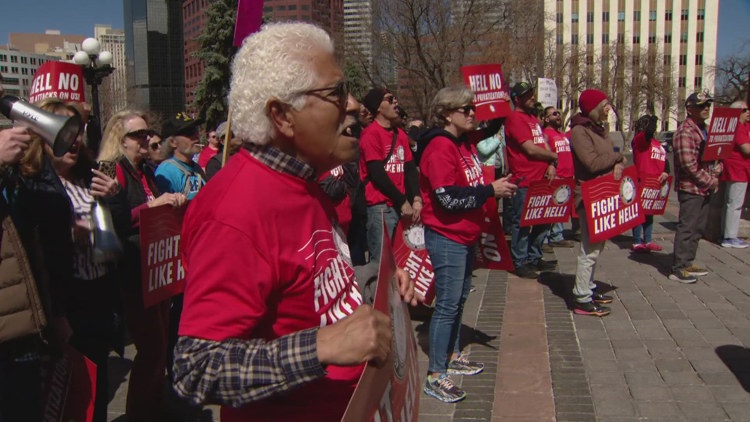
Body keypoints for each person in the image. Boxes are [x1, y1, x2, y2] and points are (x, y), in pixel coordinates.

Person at [172, 22, 417, 422]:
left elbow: (306, 282)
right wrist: (321, 348)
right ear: (282, 116)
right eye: (336, 92)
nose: (353, 104)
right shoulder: (234, 212)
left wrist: (375, 282)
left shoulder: (306, 181)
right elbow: (196, 369)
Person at [12, 98, 122, 422]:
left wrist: (111, 202)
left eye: (78, 130)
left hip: (100, 298)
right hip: (65, 303)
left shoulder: (90, 177)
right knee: (67, 400)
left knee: (96, 394)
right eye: (64, 130)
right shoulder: (32, 183)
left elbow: (117, 240)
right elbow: (34, 252)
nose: (74, 139)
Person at [418, 87, 516, 403]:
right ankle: (435, 374)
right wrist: (490, 191)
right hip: (446, 236)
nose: (473, 113)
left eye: (474, 108)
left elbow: (493, 125)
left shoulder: (464, 143)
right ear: (447, 113)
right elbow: (446, 197)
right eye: (466, 108)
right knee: (447, 304)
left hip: (464, 235)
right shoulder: (439, 147)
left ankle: (453, 354)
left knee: (459, 299)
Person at [98, 110, 187, 422]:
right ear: (119, 139)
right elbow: (114, 221)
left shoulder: (146, 171)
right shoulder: (112, 171)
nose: (147, 139)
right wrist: (153, 206)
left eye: (147, 132)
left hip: (157, 271)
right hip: (133, 275)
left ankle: (156, 407)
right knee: (149, 350)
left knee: (160, 347)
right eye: (138, 134)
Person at [569, 88, 622, 317]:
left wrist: (617, 163)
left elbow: (610, 157)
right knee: (589, 249)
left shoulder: (599, 130)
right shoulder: (579, 132)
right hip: (589, 195)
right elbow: (592, 163)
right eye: (605, 104)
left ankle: (589, 288)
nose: (608, 108)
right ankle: (581, 297)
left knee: (597, 246)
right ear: (594, 107)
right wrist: (617, 157)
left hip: (603, 193)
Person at [359, 87, 422, 261]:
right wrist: (402, 201)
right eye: (389, 99)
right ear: (378, 107)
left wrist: (416, 198)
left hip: (401, 206)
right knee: (381, 262)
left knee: (401, 260)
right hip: (381, 208)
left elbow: (409, 168)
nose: (395, 102)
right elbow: (377, 174)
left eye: (395, 98)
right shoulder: (370, 134)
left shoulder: (400, 134)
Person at [504, 82, 558, 278]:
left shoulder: (533, 118)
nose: (532, 98)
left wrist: (552, 163)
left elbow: (543, 143)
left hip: (542, 177)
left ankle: (534, 256)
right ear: (517, 99)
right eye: (527, 95)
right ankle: (519, 261)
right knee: (523, 223)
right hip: (525, 180)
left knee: (543, 219)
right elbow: (529, 148)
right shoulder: (514, 118)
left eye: (532, 94)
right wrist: (552, 157)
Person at [669, 91, 722, 283]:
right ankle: (678, 268)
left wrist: (718, 168)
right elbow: (687, 164)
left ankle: (688, 261)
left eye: (708, 105)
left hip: (704, 187)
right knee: (687, 227)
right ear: (690, 109)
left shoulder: (705, 129)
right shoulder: (686, 131)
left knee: (698, 228)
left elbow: (715, 155)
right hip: (691, 188)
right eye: (701, 106)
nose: (706, 108)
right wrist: (709, 181)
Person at [630, 115, 670, 252]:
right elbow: (648, 133)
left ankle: (648, 240)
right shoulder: (640, 140)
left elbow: (666, 160)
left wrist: (666, 171)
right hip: (643, 181)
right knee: (639, 212)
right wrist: (652, 119)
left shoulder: (657, 144)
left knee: (649, 213)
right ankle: (636, 241)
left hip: (656, 182)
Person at [541, 106, 576, 249]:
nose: (558, 116)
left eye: (559, 113)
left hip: (567, 176)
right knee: (551, 208)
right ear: (547, 118)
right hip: (556, 175)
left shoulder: (562, 135)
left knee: (560, 208)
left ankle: (557, 235)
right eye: (554, 114)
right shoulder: (545, 134)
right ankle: (546, 238)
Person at [155, 113, 206, 200]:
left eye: (195, 131)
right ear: (172, 142)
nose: (196, 136)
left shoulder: (196, 168)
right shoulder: (166, 172)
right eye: (189, 133)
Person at [720, 102, 750, 248]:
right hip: (737, 169)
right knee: (735, 204)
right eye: (744, 110)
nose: (748, 112)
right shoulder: (737, 127)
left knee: (734, 203)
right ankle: (729, 237)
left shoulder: (745, 126)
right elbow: (746, 149)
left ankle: (728, 234)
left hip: (741, 170)